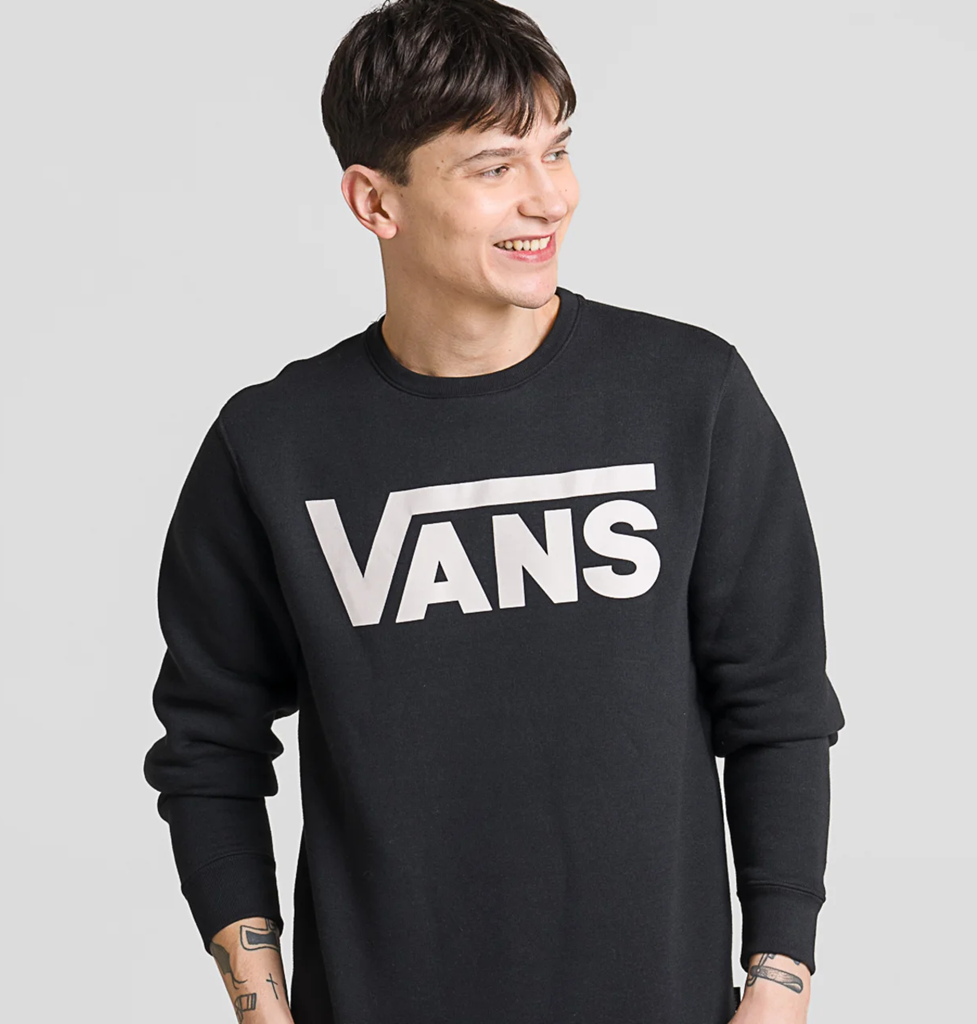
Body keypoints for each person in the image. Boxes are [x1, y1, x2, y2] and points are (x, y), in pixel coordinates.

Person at [143, 1, 846, 1022]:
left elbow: (778, 705)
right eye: (493, 166)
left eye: (556, 150)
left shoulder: (689, 397)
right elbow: (209, 742)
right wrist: (264, 1010)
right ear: (374, 200)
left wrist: (777, 989)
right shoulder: (273, 444)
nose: (548, 197)